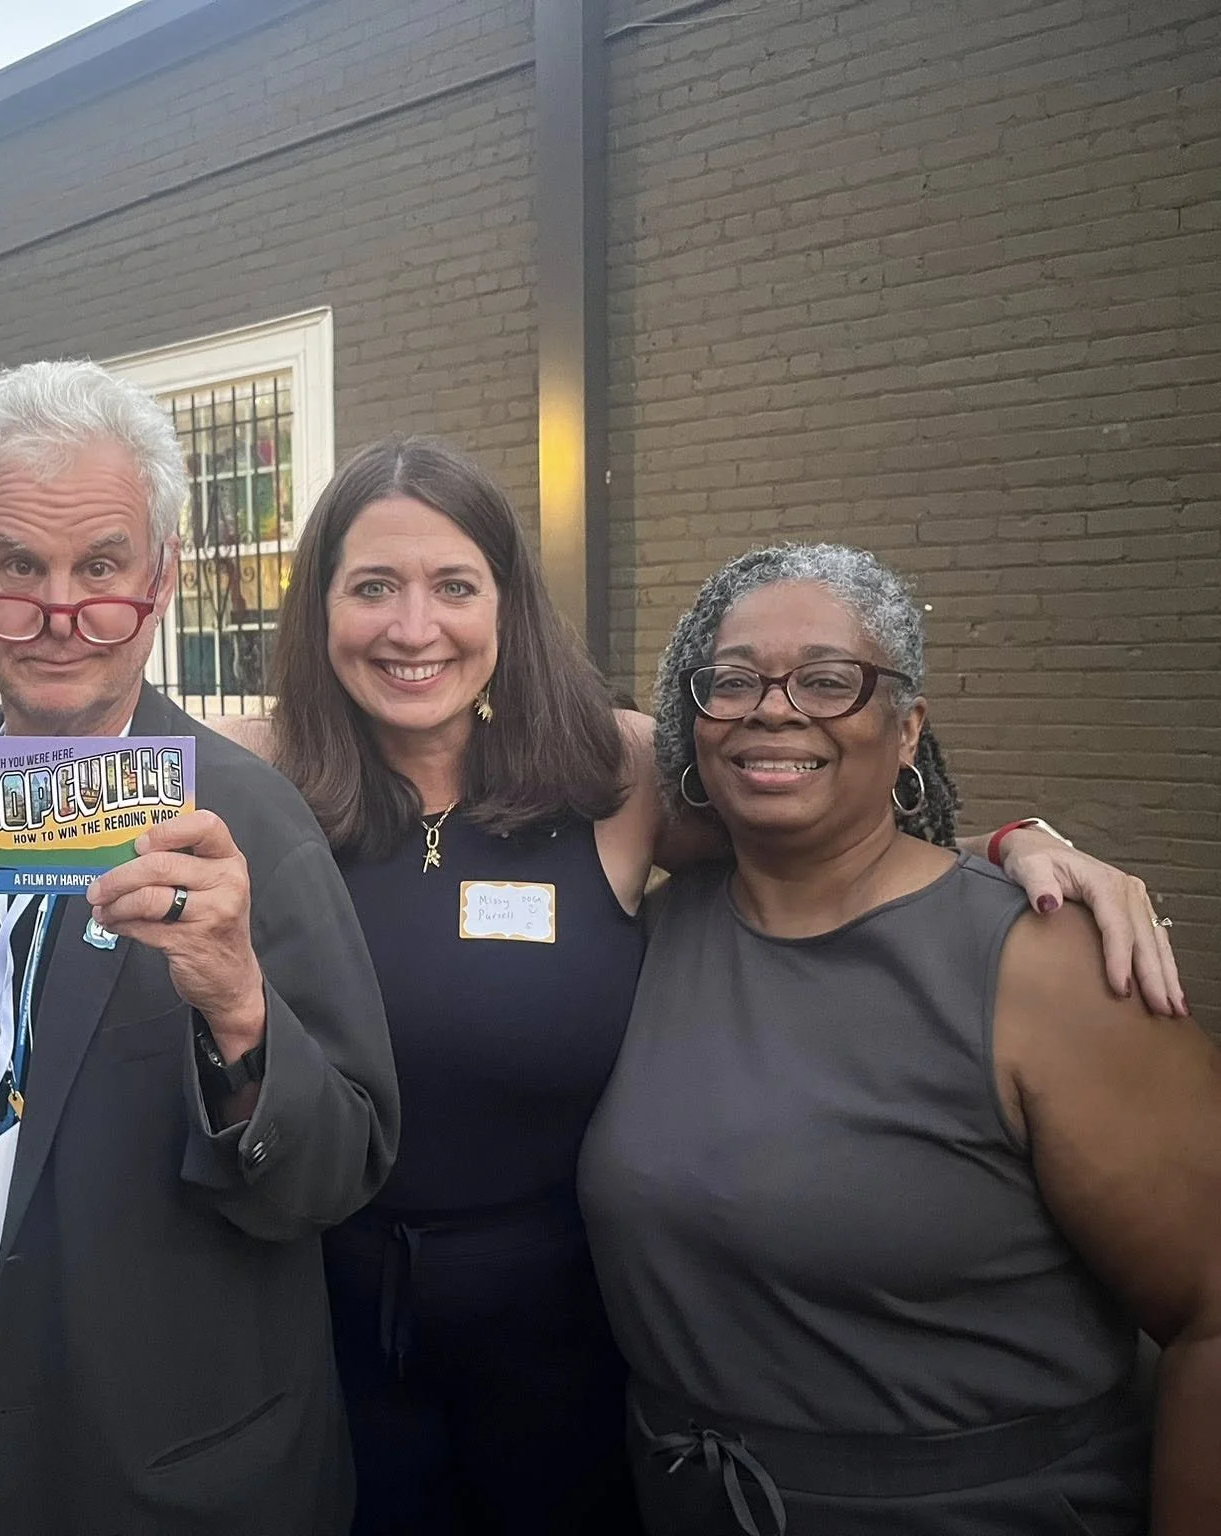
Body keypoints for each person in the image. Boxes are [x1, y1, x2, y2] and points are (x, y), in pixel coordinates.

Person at [256, 439, 1185, 1535]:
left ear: (506, 605)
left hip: (563, 1336)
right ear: (319, 608)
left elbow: (820, 831)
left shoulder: (610, 769)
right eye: (372, 587)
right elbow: (56, 807)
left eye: (454, 586)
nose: (414, 628)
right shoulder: (250, 776)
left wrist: (1010, 848)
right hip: (319, 1318)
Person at [578, 543, 1221, 1534]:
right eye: (733, 681)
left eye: (828, 680)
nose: (773, 709)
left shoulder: (1047, 967)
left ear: (907, 726)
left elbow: (1208, 1316)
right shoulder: (656, 935)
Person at [0, 360, 400, 1536]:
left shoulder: (246, 821)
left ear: (159, 577)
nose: (60, 613)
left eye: (100, 567)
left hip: (164, 1466)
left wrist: (239, 1011)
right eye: (17, 565)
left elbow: (341, 1165)